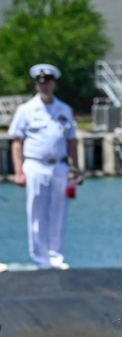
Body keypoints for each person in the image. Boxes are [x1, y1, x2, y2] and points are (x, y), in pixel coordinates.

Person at [9, 64, 83, 270]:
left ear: (54, 84)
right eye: (41, 83)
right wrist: (18, 172)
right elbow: (17, 142)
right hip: (35, 165)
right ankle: (40, 257)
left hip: (59, 165)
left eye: (48, 82)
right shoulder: (26, 110)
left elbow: (71, 141)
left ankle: (56, 255)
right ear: (36, 84)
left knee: (58, 211)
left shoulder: (64, 110)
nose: (45, 86)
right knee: (36, 211)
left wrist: (76, 168)